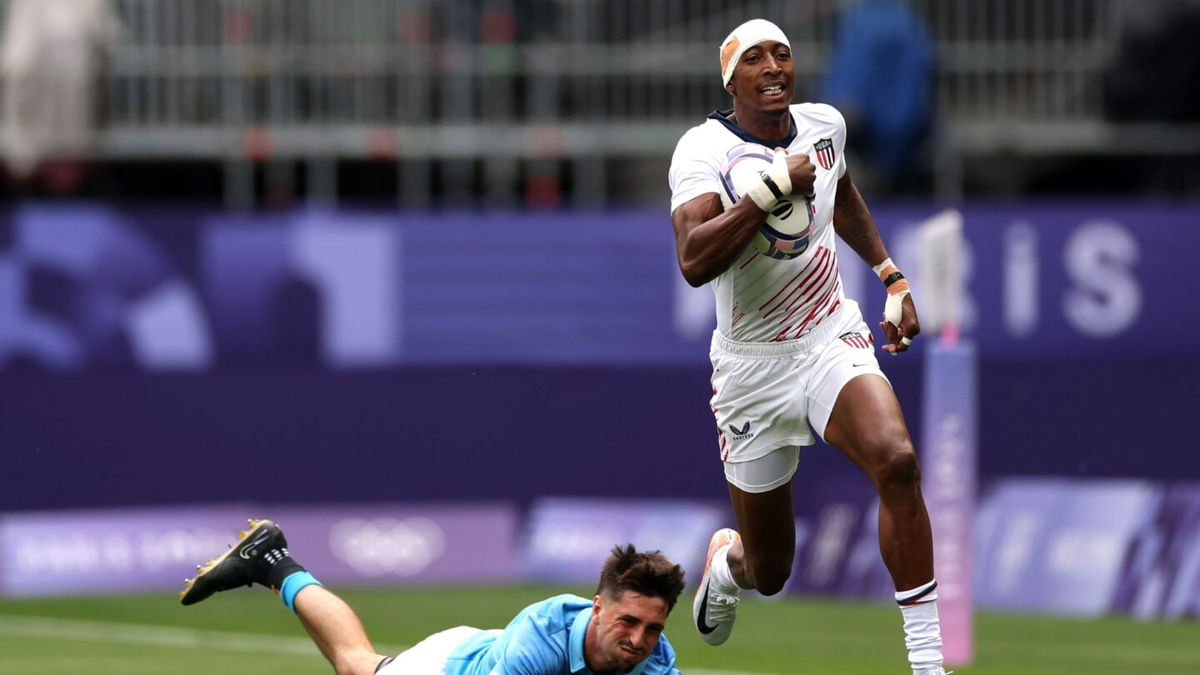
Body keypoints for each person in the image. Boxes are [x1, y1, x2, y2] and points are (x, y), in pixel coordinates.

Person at [667, 19, 946, 675]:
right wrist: (766, 191)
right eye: (756, 58)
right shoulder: (702, 151)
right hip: (751, 369)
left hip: (828, 338)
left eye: (783, 55)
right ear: (731, 79)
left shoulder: (824, 127)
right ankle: (728, 564)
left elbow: (840, 191)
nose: (773, 66)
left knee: (897, 460)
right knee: (772, 569)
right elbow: (694, 258)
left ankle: (929, 663)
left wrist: (890, 275)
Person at [181, 519, 685, 675]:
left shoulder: (658, 664)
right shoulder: (542, 636)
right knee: (357, 665)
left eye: (652, 628)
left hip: (493, 648)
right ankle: (272, 561)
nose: (639, 639)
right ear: (598, 605)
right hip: (451, 666)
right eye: (628, 621)